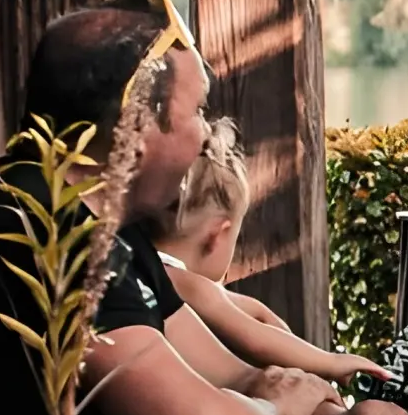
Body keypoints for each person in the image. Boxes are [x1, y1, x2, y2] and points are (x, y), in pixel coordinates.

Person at [0, 0, 408, 415]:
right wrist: (284, 410)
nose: (206, 136)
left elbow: (233, 379)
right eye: (197, 111)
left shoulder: (104, 225)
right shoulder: (49, 233)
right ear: (140, 122)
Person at [146, 117, 390, 385]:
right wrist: (330, 362)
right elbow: (253, 338)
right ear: (217, 235)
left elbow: (247, 310)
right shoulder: (180, 282)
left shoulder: (152, 267)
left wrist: (270, 323)